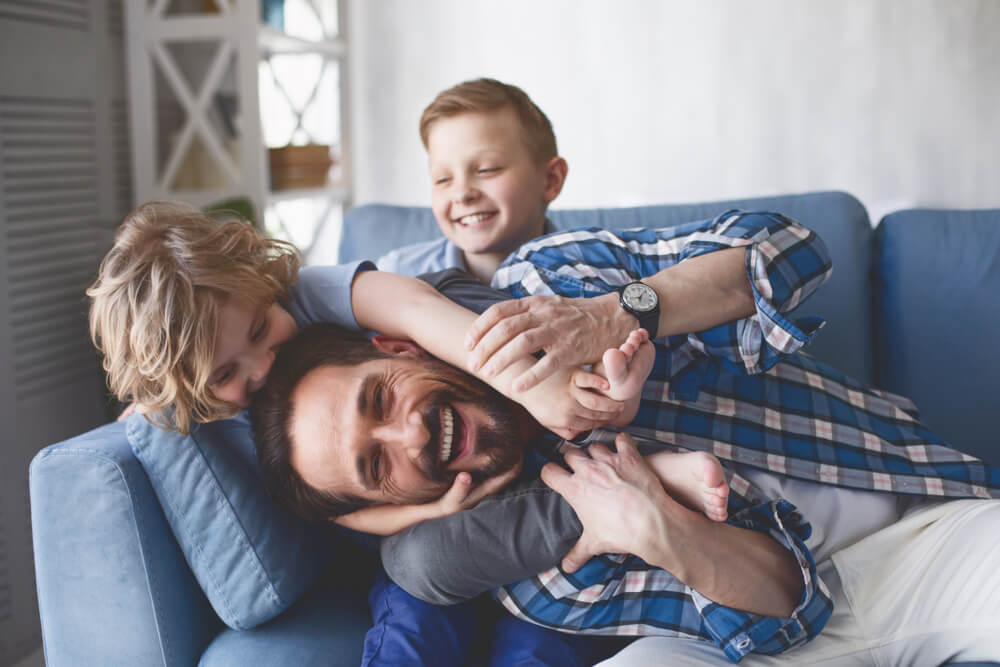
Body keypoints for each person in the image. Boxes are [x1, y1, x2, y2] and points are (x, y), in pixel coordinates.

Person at [252, 210, 1000, 663]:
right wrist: (656, 527)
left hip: (920, 521)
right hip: (761, 640)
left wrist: (620, 313)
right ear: (390, 507)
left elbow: (793, 248)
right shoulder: (533, 574)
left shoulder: (551, 285)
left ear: (401, 346)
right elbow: (792, 618)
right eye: (375, 464)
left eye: (380, 399)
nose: (409, 433)